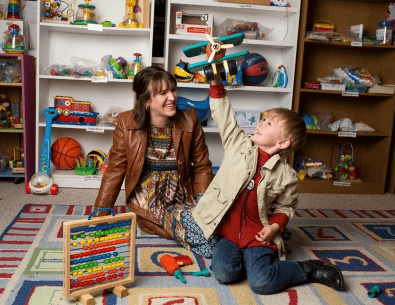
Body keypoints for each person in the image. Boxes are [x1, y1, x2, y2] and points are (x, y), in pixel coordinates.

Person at [191, 73, 344, 294]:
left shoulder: (286, 176)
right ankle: (248, 262)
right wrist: (215, 82)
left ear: (283, 142)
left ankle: (307, 269)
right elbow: (224, 116)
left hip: (257, 235)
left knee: (262, 283)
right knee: (224, 274)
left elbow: (285, 207)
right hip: (230, 234)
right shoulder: (238, 145)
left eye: (269, 122)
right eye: (263, 119)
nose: (261, 123)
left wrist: (274, 226)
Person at [94, 66, 216, 257]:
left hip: (183, 190)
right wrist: (100, 214)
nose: (172, 97)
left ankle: (225, 247)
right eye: (163, 93)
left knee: (216, 223)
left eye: (173, 90)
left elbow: (202, 166)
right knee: (203, 235)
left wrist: (203, 203)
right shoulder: (126, 122)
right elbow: (115, 170)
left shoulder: (191, 119)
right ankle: (219, 251)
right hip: (149, 195)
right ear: (146, 100)